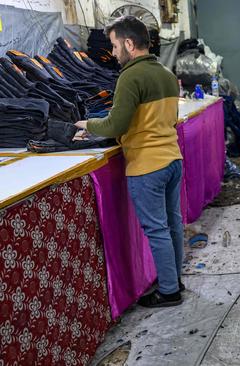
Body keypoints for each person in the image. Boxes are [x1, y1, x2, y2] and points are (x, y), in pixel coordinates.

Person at [74, 16, 186, 308]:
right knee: (172, 223)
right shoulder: (165, 73)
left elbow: (116, 124)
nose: (112, 53)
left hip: (147, 165)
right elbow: (170, 120)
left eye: (113, 46)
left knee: (157, 229)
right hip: (172, 159)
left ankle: (170, 291)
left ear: (128, 43)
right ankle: (175, 279)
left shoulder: (130, 76)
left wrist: (89, 124)